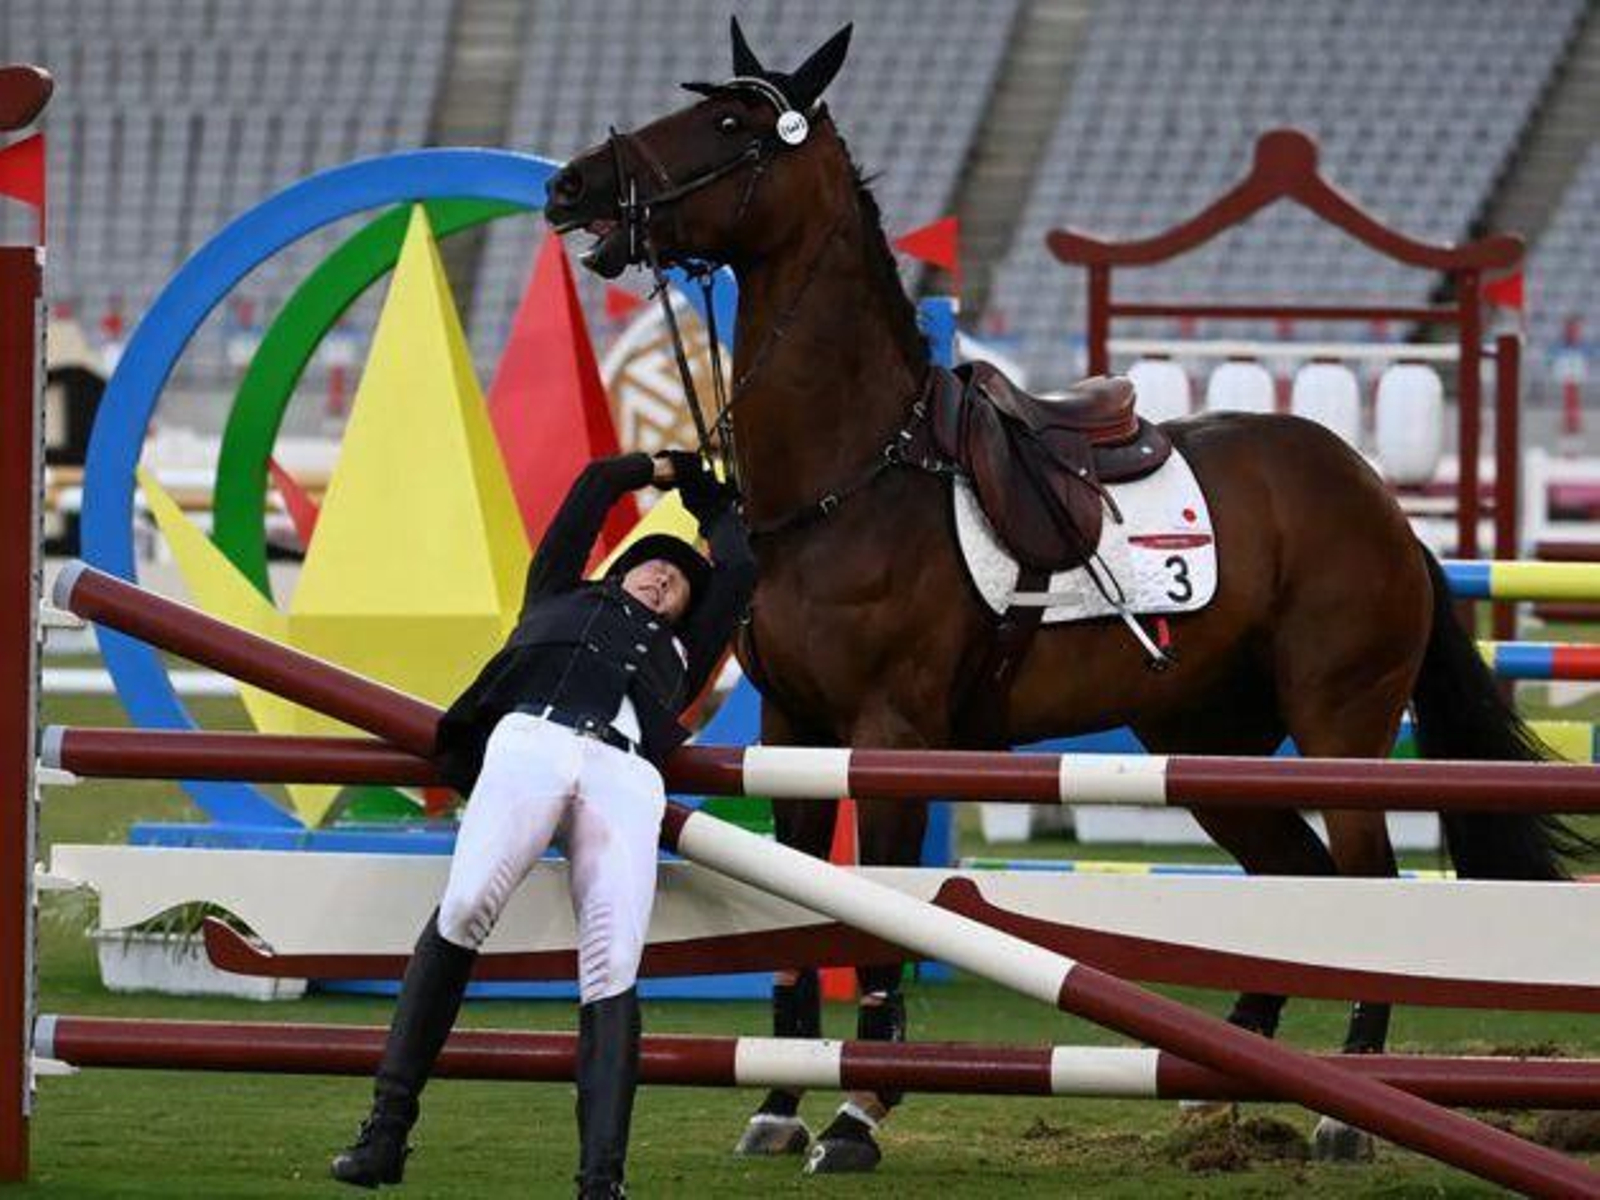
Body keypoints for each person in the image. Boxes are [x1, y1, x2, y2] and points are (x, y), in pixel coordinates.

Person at [331, 450, 755, 1198]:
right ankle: (385, 1133)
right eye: (651, 568)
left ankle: (601, 1183)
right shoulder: (555, 591)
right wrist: (659, 467)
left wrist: (703, 493)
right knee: (464, 907)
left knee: (614, 962)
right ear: (615, 572)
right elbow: (592, 485)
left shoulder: (685, 651)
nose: (664, 579)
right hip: (534, 738)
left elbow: (742, 566)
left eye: (681, 583)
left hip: (624, 771)